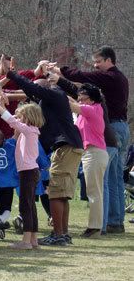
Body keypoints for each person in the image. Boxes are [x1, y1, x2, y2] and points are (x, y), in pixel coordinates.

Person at [3, 61, 83, 246]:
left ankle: (58, 234)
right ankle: (62, 234)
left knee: (55, 193)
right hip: (69, 146)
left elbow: (34, 89)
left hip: (66, 146)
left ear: (45, 89)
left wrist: (13, 74)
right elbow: (32, 92)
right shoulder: (52, 99)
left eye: (38, 92)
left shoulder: (54, 93)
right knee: (61, 193)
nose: (36, 97)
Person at [50, 46, 130, 233]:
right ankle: (115, 222)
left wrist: (59, 72)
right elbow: (77, 92)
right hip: (121, 127)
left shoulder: (110, 77)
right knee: (115, 178)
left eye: (99, 61)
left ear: (109, 60)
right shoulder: (119, 79)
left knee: (102, 183)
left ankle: (100, 226)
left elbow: (83, 78)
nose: (95, 65)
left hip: (110, 131)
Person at [0, 94, 44, 250]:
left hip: (27, 172)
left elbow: (9, 119)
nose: (17, 120)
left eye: (21, 117)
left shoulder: (28, 130)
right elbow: (12, 119)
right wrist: (1, 104)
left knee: (26, 207)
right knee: (30, 205)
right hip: (30, 172)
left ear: (27, 118)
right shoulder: (31, 131)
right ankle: (33, 240)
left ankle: (26, 241)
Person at [67, 84, 109, 237]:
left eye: (83, 98)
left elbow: (72, 105)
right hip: (89, 153)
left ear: (91, 99)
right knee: (93, 191)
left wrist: (55, 90)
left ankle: (95, 227)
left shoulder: (93, 109)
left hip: (94, 153)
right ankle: (94, 226)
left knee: (94, 192)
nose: (80, 100)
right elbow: (74, 103)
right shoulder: (86, 111)